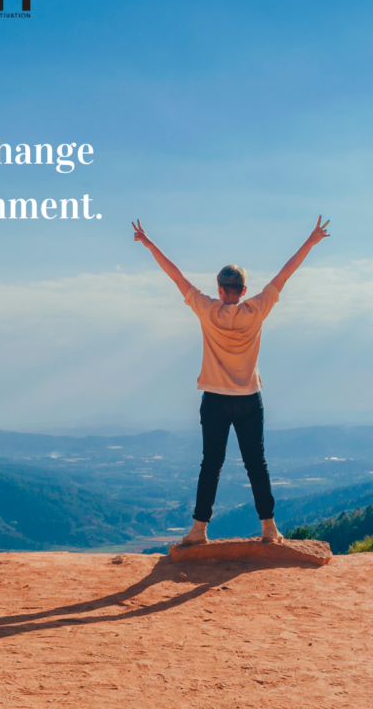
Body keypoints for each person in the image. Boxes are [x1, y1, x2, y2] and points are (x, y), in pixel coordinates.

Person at [132, 216, 331, 545]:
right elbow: (285, 273)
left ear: (220, 290)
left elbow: (176, 276)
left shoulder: (207, 309)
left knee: (211, 463)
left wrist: (150, 243)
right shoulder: (257, 308)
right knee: (257, 463)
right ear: (244, 290)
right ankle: (269, 528)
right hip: (249, 398)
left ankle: (199, 529)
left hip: (214, 398)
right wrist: (311, 240)